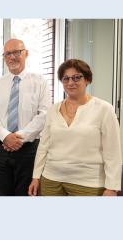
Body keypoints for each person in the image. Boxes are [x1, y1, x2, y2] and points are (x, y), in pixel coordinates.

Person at [28, 59, 122, 196]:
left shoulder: (104, 109)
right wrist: (36, 177)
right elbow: (44, 146)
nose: (71, 82)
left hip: (88, 183)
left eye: (77, 77)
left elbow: (113, 152)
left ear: (87, 80)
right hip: (51, 180)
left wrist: (112, 187)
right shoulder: (53, 110)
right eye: (66, 79)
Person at [0, 39, 51, 196]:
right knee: (2, 194)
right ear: (4, 57)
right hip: (0, 149)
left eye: (16, 52)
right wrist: (6, 136)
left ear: (26, 53)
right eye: (8, 53)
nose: (12, 57)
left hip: (28, 150)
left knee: (26, 194)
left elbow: (44, 115)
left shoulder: (40, 82)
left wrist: (18, 137)